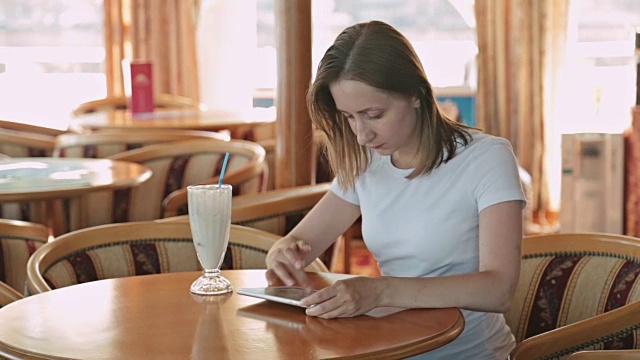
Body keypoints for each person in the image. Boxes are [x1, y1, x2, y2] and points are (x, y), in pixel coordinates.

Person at [265, 20, 526, 359]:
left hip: (467, 352)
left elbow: (499, 290)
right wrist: (282, 252)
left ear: (416, 95)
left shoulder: (487, 157)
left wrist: (379, 291)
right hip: (390, 345)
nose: (361, 134)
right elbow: (301, 243)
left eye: (373, 114)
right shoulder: (366, 162)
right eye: (348, 117)